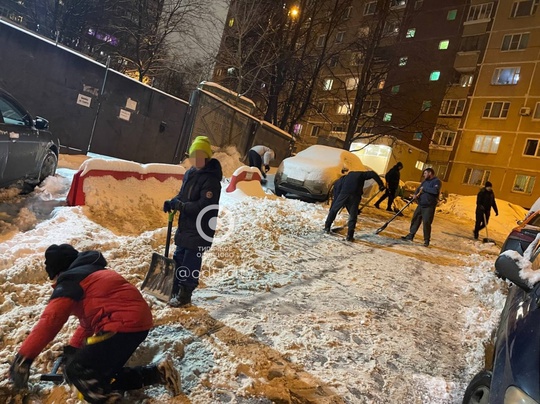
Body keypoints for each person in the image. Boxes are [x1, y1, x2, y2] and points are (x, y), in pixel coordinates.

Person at [9, 244, 181, 403]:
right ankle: (158, 373)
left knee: (78, 371)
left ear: (58, 273)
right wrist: (74, 348)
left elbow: (50, 320)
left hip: (119, 325)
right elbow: (88, 323)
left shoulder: (70, 281)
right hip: (135, 324)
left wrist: (24, 358)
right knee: (98, 376)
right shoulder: (92, 274)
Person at [163, 135, 222, 307]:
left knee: (191, 260)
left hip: (201, 227)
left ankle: (185, 294)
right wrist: (172, 201)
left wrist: (181, 206)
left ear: (207, 156)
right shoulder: (190, 173)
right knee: (179, 256)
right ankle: (173, 288)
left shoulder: (211, 180)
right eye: (194, 155)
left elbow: (205, 205)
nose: (196, 159)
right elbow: (182, 195)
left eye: (200, 155)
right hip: (186, 225)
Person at [324, 170, 385, 241]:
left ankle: (327, 227)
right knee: (353, 215)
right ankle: (350, 235)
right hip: (355, 194)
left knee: (334, 210)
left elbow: (337, 199)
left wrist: (333, 208)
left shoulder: (342, 180)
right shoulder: (360, 174)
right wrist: (381, 184)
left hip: (344, 194)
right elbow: (372, 173)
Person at [401, 167, 441, 247]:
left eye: (425, 173)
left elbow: (435, 191)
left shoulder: (437, 181)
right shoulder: (424, 182)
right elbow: (419, 189)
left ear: (430, 173)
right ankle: (411, 235)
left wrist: (425, 189)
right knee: (415, 219)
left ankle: (426, 240)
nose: (424, 175)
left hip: (429, 206)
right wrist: (415, 194)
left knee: (426, 222)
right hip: (421, 204)